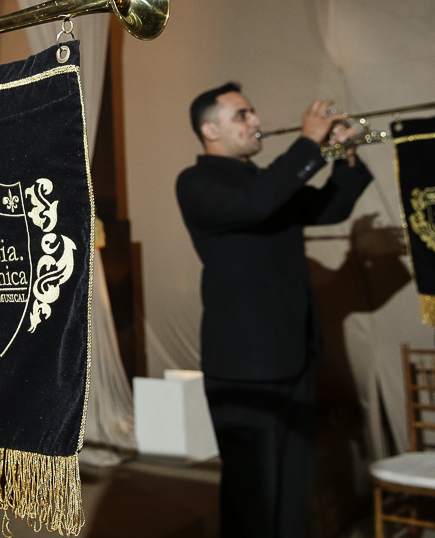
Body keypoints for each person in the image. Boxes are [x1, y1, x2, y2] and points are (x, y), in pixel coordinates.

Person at [175, 82, 372, 538]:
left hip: (292, 355)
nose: (256, 121)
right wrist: (308, 143)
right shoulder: (197, 182)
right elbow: (255, 204)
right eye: (242, 116)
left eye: (253, 113)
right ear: (210, 130)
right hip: (244, 363)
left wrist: (342, 156)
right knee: (253, 495)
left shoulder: (267, 181)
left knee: (292, 485)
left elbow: (329, 208)